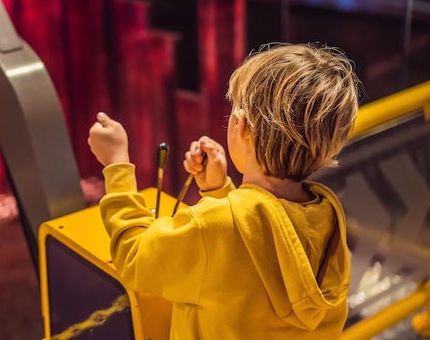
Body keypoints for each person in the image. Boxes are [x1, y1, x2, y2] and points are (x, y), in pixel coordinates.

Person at [87, 42, 360, 340]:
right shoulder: (329, 219)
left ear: (243, 127)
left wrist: (116, 164)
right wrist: (219, 191)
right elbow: (262, 248)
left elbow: (135, 258)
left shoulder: (214, 226)